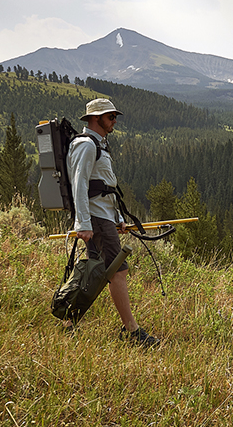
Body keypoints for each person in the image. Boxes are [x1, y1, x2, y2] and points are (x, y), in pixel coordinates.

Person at [67, 98, 159, 347]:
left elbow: (105, 187)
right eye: (111, 117)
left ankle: (69, 321)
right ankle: (132, 331)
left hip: (103, 216)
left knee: (99, 272)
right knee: (118, 270)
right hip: (95, 219)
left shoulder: (98, 145)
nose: (114, 121)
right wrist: (83, 223)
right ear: (96, 119)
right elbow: (80, 185)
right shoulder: (86, 146)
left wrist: (117, 218)